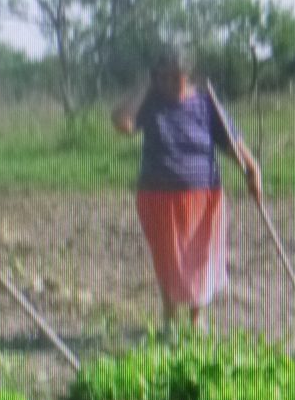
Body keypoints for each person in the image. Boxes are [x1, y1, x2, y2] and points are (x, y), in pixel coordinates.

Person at [111, 46, 262, 334]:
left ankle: (196, 321)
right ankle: (169, 321)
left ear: (187, 75)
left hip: (203, 194)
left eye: (173, 76)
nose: (167, 82)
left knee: (201, 255)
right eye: (162, 76)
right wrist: (145, 86)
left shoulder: (207, 104)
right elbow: (122, 123)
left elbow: (231, 142)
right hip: (158, 194)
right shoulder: (151, 102)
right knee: (168, 257)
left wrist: (252, 170)